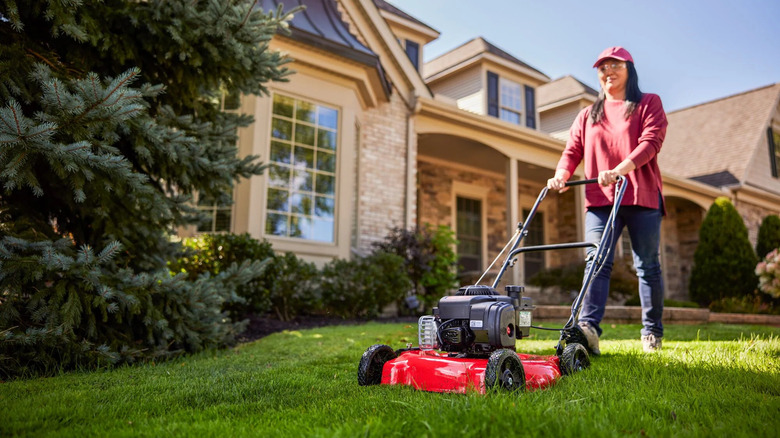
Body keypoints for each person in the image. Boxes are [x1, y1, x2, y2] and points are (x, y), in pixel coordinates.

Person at [547, 46, 668, 354]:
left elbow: (651, 142)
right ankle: (589, 330)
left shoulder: (647, 103)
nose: (607, 71)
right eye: (602, 67)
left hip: (641, 195)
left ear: (629, 68)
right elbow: (572, 151)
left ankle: (652, 332)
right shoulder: (588, 115)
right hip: (601, 199)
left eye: (614, 65)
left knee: (647, 266)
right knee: (596, 261)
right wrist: (562, 174)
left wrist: (619, 169)